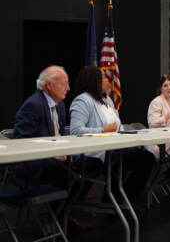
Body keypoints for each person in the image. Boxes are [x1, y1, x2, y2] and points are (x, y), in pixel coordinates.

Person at [11, 65, 102, 228]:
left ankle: (65, 214)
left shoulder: (59, 105)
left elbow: (60, 136)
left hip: (56, 159)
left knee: (92, 164)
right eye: (64, 83)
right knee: (69, 176)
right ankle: (53, 219)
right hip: (34, 163)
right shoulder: (33, 105)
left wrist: (65, 153)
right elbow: (21, 141)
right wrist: (52, 154)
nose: (68, 88)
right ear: (49, 85)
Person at [69, 66, 155, 204]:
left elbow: (117, 125)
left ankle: (121, 200)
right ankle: (118, 201)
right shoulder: (83, 100)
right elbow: (76, 131)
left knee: (147, 158)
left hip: (115, 148)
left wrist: (128, 133)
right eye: (103, 77)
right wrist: (102, 130)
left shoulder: (107, 99)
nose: (107, 80)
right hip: (96, 152)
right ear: (94, 80)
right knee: (141, 159)